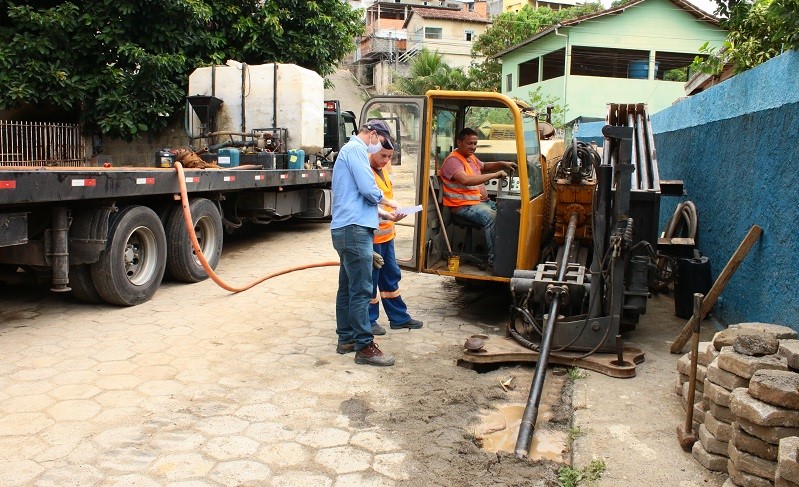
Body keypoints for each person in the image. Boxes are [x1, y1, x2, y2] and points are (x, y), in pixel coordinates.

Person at [330, 119, 399, 367]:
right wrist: (388, 202)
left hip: (347, 227)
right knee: (361, 289)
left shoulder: (349, 152)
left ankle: (346, 339)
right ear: (372, 134)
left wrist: (384, 214)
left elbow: (357, 199)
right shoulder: (356, 149)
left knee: (347, 288)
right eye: (380, 142)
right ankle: (364, 346)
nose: (379, 148)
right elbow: (368, 190)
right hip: (355, 231)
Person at [439, 127, 517, 267]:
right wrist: (496, 174)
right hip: (462, 206)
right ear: (459, 142)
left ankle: (508, 256)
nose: (473, 147)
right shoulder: (453, 161)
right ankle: (496, 262)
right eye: (470, 143)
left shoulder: (470, 157)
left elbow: (484, 166)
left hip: (479, 202)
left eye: (475, 144)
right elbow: (466, 180)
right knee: (492, 218)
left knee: (509, 213)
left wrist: (502, 164)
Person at [368, 143, 424, 335]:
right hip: (372, 236)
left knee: (390, 275)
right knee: (370, 280)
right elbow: (367, 203)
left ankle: (399, 317)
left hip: (386, 235)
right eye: (383, 156)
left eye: (390, 157)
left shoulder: (383, 169)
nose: (387, 160)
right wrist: (386, 214)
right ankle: (369, 320)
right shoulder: (365, 172)